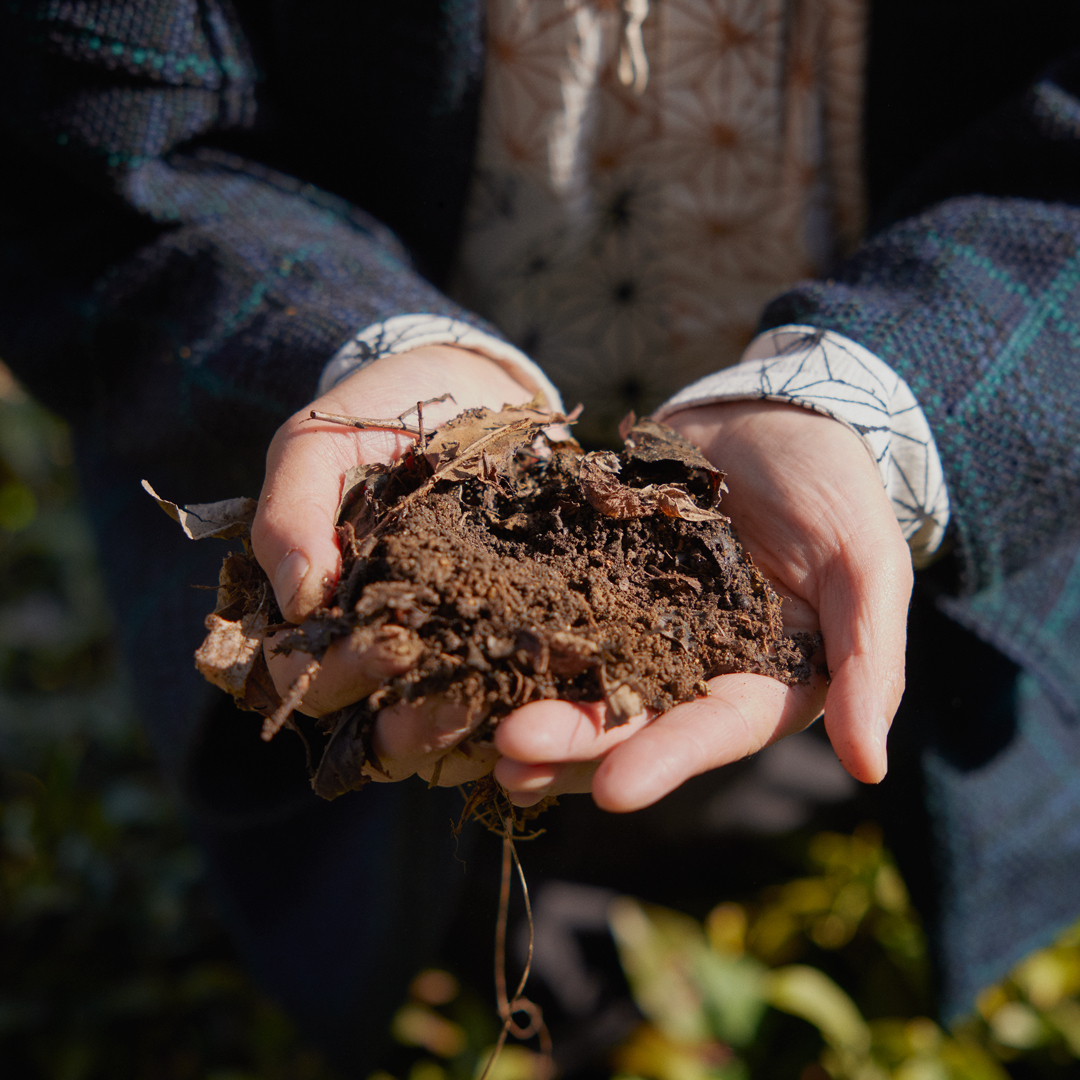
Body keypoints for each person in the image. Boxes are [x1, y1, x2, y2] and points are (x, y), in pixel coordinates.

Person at [3, 0, 1079, 1068]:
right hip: (340, 361)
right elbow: (102, 141)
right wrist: (351, 349)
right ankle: (452, 932)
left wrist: (878, 405)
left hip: (883, 485)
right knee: (410, 774)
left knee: (780, 739)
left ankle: (751, 858)